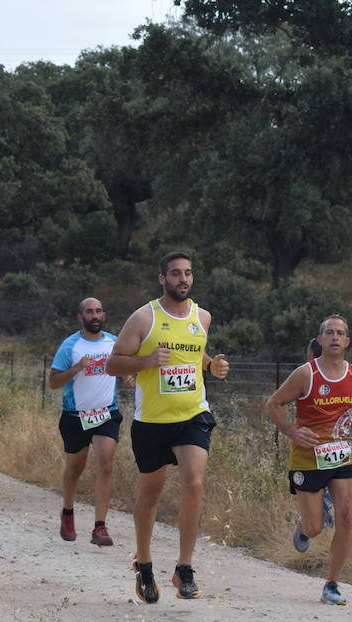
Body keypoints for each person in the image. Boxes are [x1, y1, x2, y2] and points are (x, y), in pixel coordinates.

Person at [107, 252, 230, 603]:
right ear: (162, 278)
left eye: (188, 273)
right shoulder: (144, 317)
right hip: (152, 422)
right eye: (176, 274)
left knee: (194, 482)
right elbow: (114, 363)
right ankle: (144, 563)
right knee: (151, 491)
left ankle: (184, 569)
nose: (183, 279)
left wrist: (212, 366)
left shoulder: (201, 317)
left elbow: (195, 354)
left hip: (193, 415)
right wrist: (145, 361)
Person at [263, 315, 352, 606]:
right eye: (330, 333)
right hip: (308, 458)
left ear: (347, 341)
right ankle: (303, 526)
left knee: (347, 517)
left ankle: (332, 584)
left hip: (341, 455)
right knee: (315, 528)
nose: (335, 337)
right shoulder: (305, 374)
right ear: (321, 340)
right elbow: (273, 404)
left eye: (340, 333)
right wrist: (291, 431)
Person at [50, 297, 127, 546]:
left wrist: (126, 377)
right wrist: (75, 369)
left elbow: (122, 367)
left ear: (103, 315)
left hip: (107, 413)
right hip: (75, 416)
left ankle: (100, 527)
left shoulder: (114, 342)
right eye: (89, 312)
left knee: (105, 464)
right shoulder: (70, 345)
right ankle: (68, 513)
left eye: (98, 311)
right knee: (75, 468)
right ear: (80, 317)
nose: (94, 316)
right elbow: (53, 382)